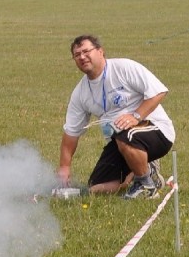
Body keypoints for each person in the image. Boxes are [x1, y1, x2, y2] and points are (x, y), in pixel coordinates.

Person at [58, 34, 175, 199]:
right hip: (120, 141)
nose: (82, 57)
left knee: (124, 136)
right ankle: (145, 171)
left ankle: (146, 185)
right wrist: (64, 167)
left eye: (86, 51)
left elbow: (159, 91)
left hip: (156, 130)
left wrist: (136, 116)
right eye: (77, 55)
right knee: (96, 187)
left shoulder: (124, 68)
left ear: (100, 51)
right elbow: (71, 132)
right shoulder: (80, 93)